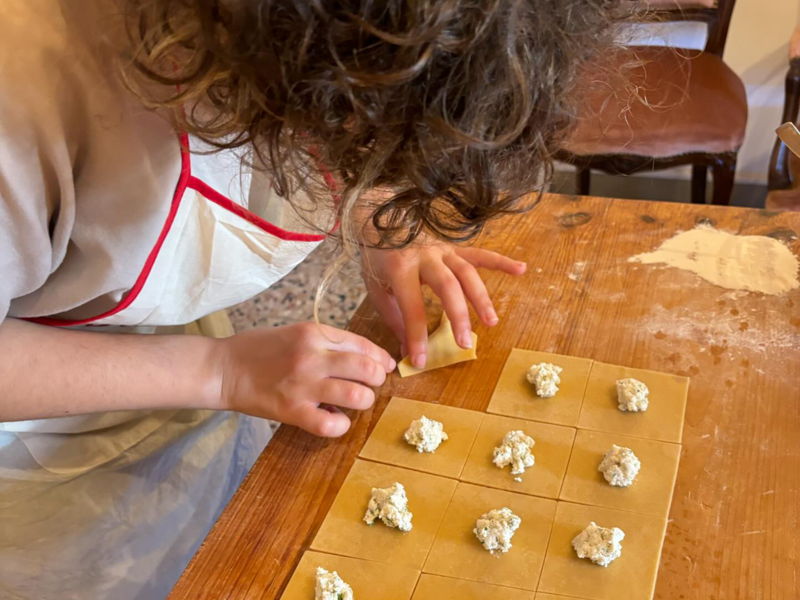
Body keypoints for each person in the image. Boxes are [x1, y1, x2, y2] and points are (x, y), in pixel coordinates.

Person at [0, 0, 624, 598]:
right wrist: (222, 371)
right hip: (39, 476)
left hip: (181, 382)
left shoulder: (302, 58)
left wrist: (383, 213)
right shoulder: (24, 85)